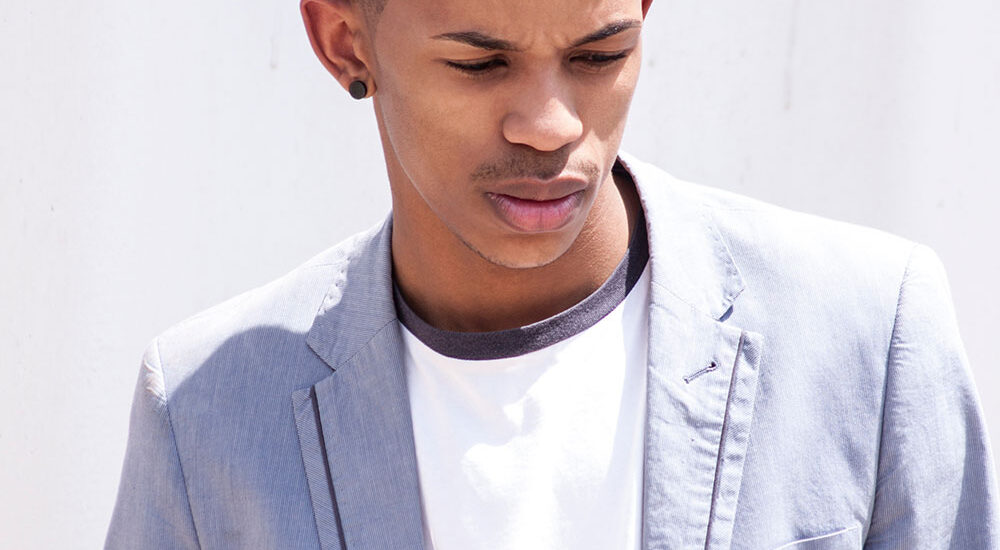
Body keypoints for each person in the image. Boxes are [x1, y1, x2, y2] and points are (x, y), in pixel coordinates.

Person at [106, 0, 999, 548]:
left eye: (599, 55)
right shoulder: (207, 415)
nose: (550, 125)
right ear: (345, 41)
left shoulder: (869, 333)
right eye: (480, 63)